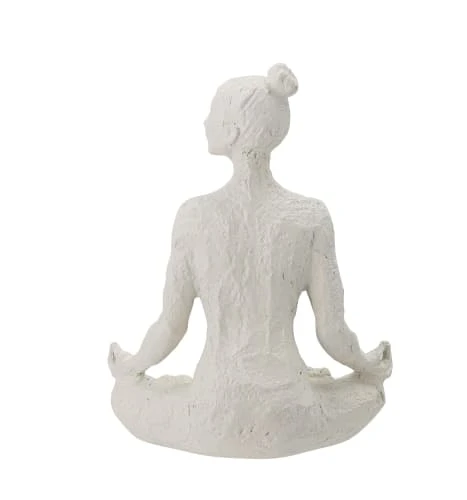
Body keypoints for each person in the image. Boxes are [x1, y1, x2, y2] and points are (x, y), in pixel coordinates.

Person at [108, 63, 392, 458]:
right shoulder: (311, 216)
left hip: (212, 414)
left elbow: (171, 326)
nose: (205, 121)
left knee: (123, 394)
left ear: (233, 131)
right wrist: (369, 366)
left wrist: (130, 365)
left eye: (213, 112)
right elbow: (332, 332)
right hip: (292, 413)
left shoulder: (194, 216)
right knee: (371, 392)